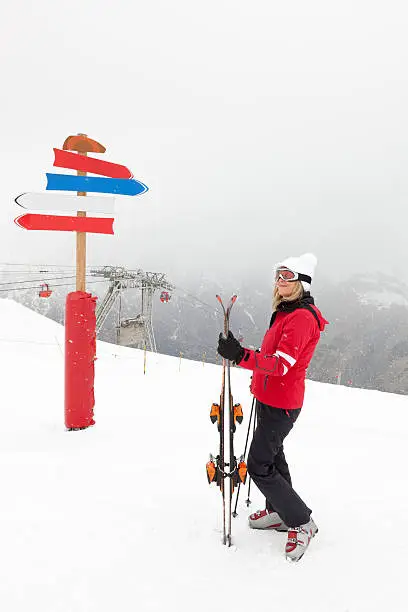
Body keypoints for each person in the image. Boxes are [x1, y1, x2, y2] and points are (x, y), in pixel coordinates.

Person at [217, 253, 328, 562]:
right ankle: (281, 512)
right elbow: (270, 355)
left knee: (258, 465)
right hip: (269, 398)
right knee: (273, 459)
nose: (281, 282)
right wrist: (243, 352)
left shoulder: (302, 318)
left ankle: (300, 520)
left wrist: (240, 356)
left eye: (288, 277)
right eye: (278, 275)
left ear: (302, 283)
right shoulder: (285, 312)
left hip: (282, 404)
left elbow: (281, 365)